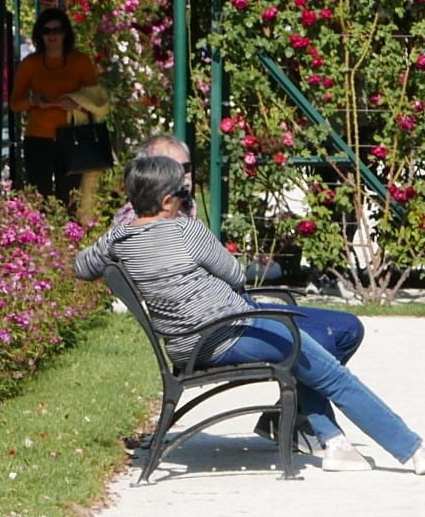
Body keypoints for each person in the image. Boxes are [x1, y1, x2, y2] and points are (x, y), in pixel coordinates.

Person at [78, 151, 425, 473]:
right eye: (182, 192)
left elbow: (83, 266)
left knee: (318, 352)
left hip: (188, 343)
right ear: (164, 200)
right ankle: (412, 449)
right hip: (229, 332)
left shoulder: (119, 239)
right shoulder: (184, 231)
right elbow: (237, 274)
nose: (185, 198)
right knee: (332, 375)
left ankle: (333, 441)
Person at [124, 134, 364, 364]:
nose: (183, 177)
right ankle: (299, 404)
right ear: (146, 175)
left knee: (349, 329)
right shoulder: (138, 224)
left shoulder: (182, 206)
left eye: (185, 168)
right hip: (218, 329)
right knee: (325, 344)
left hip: (238, 309)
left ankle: (293, 405)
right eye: (170, 169)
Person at [8, 8, 108, 217]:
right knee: (40, 195)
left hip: (73, 138)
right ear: (39, 35)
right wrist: (33, 101)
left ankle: (69, 238)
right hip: (38, 138)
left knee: (69, 195)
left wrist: (77, 103)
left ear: (66, 33)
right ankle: (42, 239)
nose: (52, 36)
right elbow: (15, 103)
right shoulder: (30, 64)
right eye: (47, 31)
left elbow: (95, 98)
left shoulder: (80, 61)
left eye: (57, 30)